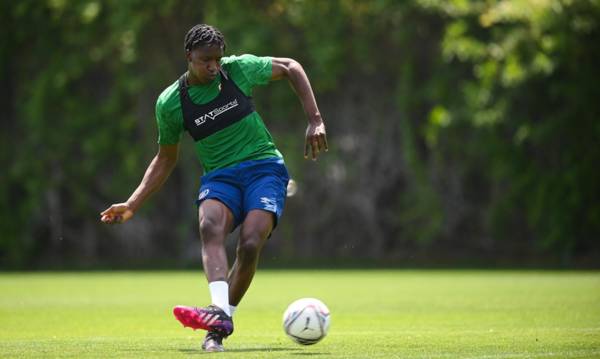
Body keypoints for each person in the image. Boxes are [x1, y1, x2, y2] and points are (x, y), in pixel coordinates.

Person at [100, 24, 327, 352]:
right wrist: (133, 203)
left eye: (217, 59)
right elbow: (165, 158)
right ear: (188, 56)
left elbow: (292, 67)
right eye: (206, 60)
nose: (213, 67)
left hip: (264, 168)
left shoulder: (236, 71)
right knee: (209, 225)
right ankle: (218, 314)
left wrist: (315, 119)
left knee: (250, 243)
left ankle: (219, 322)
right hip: (220, 177)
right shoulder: (171, 103)